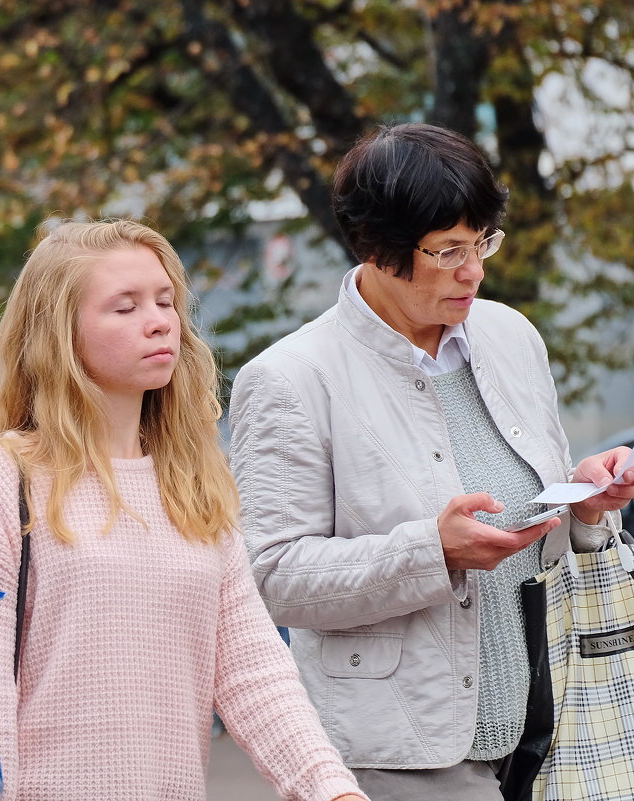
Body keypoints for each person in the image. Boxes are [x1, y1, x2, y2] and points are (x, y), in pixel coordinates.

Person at [228, 122, 634, 800]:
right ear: (379, 251)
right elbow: (271, 577)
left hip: (554, 734)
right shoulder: (291, 379)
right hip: (402, 758)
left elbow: (539, 524)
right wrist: (431, 552)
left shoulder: (510, 335)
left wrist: (584, 502)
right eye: (447, 251)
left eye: (481, 242)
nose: (472, 270)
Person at [0, 220, 367, 801]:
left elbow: (253, 669)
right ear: (59, 332)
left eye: (166, 301)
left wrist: (330, 788)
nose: (159, 320)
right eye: (125, 308)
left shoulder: (194, 482)